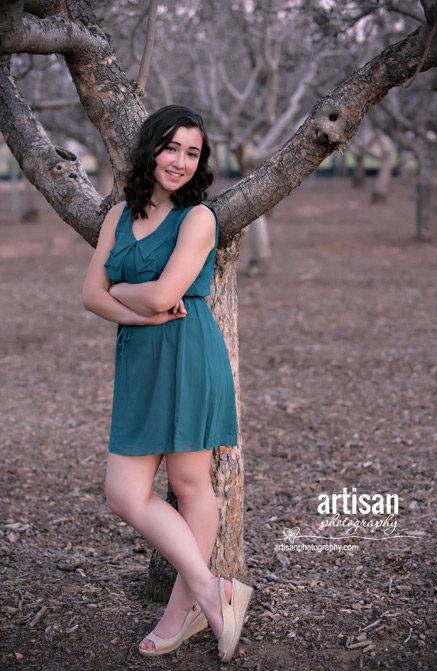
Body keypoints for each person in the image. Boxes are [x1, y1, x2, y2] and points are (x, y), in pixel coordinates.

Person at [82, 104, 253, 662]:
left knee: (189, 483)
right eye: (171, 147)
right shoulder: (116, 216)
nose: (180, 161)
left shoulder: (198, 218)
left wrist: (125, 297)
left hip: (187, 350)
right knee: (123, 493)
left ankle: (179, 615)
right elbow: (90, 296)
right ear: (150, 147)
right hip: (140, 353)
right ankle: (213, 590)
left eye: (193, 152)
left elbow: (156, 295)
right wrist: (139, 310)